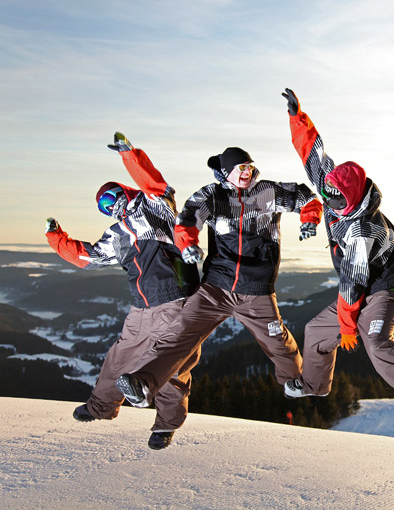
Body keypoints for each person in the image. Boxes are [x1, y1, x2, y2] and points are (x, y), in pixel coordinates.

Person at [280, 88, 394, 432]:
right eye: (326, 195)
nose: (330, 204)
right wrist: (296, 116)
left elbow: (352, 285)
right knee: (316, 330)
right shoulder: (333, 187)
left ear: (354, 197)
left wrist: (348, 327)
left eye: (337, 201)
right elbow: (312, 153)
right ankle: (314, 384)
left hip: (385, 291)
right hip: (360, 287)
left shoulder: (364, 230)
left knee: (376, 342)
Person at [115, 146, 323, 417]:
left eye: (249, 167)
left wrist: (310, 219)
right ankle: (143, 383)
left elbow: (306, 196)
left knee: (278, 342)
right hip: (216, 288)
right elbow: (187, 218)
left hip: (256, 289)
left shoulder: (268, 191)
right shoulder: (212, 196)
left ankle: (294, 382)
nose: (247, 173)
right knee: (179, 334)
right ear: (226, 173)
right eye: (241, 169)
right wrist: (188, 243)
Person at [45, 132, 201, 450]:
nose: (113, 206)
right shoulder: (116, 234)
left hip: (175, 300)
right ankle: (100, 407)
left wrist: (130, 156)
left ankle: (166, 425)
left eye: (113, 196)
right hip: (141, 308)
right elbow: (87, 257)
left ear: (125, 192)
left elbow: (155, 186)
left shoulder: (155, 210)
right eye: (105, 205)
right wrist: (56, 236)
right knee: (118, 360)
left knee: (172, 368)